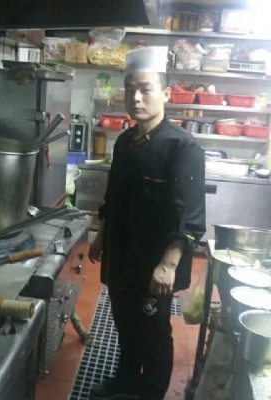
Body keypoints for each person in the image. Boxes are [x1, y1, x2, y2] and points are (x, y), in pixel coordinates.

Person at [88, 46, 206, 400]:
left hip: (154, 263)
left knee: (153, 334)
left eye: (145, 89)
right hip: (122, 255)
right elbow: (114, 197)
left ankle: (151, 394)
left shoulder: (182, 148)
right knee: (124, 324)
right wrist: (101, 236)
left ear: (166, 93)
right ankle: (124, 382)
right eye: (130, 90)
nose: (136, 98)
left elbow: (190, 216)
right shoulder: (126, 141)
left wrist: (167, 266)